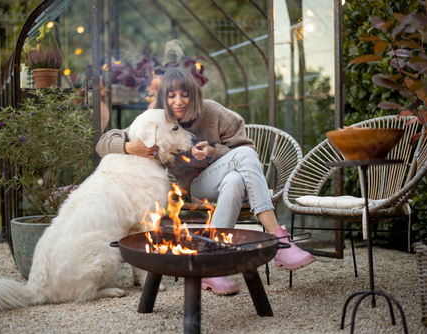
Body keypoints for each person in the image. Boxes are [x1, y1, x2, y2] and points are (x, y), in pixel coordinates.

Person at [96, 67, 315, 295]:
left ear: (194, 94)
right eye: (171, 96)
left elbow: (248, 151)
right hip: (197, 185)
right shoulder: (161, 119)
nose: (178, 102)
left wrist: (212, 152)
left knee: (233, 181)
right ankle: (279, 240)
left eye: (184, 94)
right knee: (239, 168)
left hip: (233, 179)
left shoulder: (213, 112)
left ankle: (210, 266)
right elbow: (102, 144)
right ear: (164, 98)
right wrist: (129, 146)